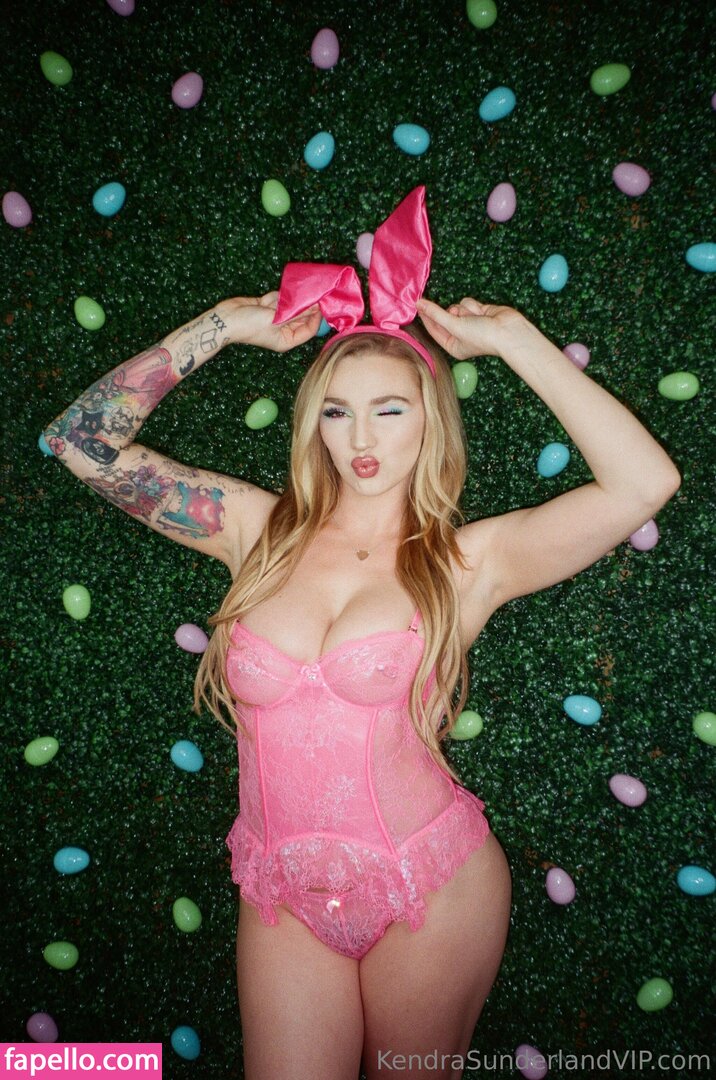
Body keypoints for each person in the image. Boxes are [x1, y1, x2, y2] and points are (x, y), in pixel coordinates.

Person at [42, 201, 681, 1080]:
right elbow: (79, 441)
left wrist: (516, 341)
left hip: (430, 887)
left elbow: (645, 482)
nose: (363, 439)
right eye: (338, 413)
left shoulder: (469, 562)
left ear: (431, 419)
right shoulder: (255, 530)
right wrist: (222, 325)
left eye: (389, 409)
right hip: (282, 893)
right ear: (314, 423)